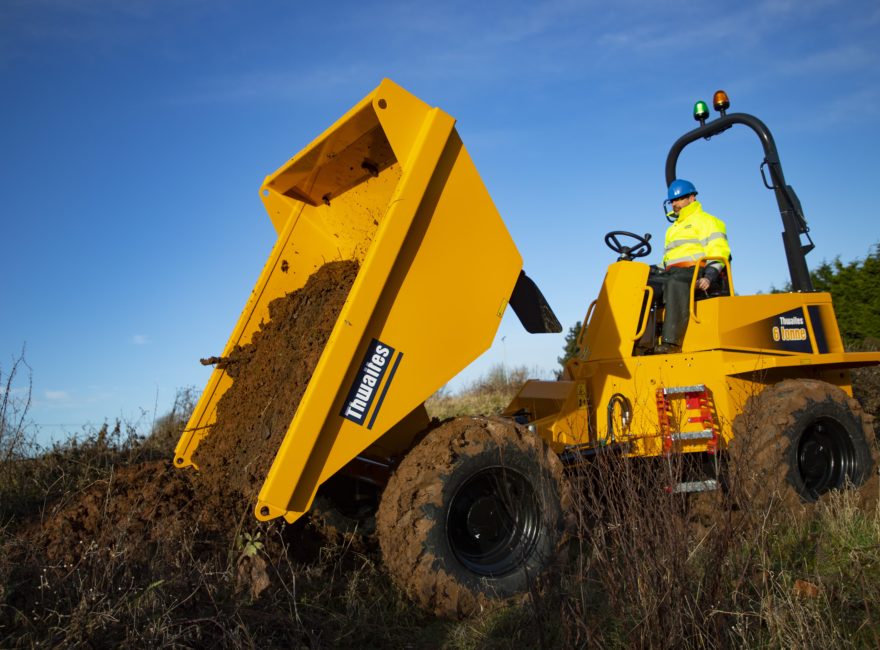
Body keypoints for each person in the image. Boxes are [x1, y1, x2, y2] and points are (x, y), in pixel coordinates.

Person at [648, 179, 730, 354]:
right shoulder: (673, 229)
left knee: (675, 282)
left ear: (692, 198)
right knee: (641, 284)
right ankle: (640, 342)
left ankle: (671, 343)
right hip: (673, 271)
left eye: (679, 199)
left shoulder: (708, 221)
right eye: (672, 201)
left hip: (696, 271)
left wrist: (709, 275)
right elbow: (669, 260)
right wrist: (649, 269)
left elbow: (719, 251)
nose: (675, 204)